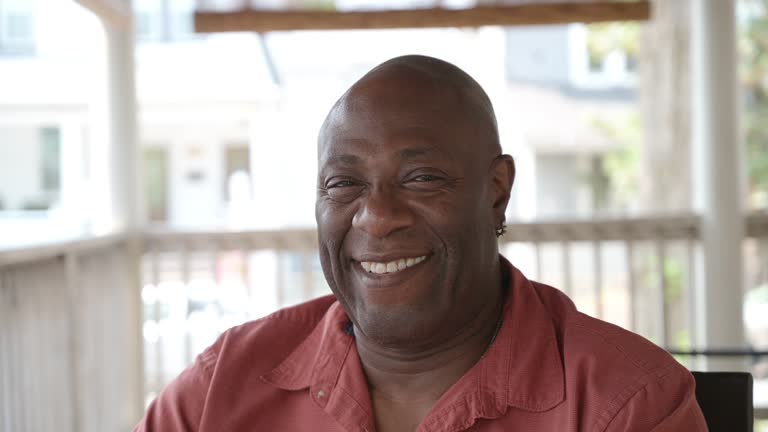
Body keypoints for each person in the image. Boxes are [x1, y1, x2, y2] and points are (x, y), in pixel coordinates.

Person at [135, 55, 707, 431]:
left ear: (496, 193)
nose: (377, 218)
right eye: (344, 183)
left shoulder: (625, 404)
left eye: (422, 178)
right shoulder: (221, 387)